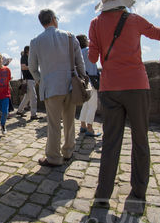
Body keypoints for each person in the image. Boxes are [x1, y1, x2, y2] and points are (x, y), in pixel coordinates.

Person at [88, 0, 160, 207]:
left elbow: (93, 58)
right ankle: (138, 193)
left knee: (111, 142)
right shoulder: (134, 20)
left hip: (109, 88)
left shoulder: (95, 23)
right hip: (136, 86)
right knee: (140, 140)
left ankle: (103, 195)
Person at [29, 9, 86, 168]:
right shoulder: (69, 36)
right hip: (70, 84)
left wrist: (42, 80)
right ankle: (68, 151)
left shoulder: (35, 41)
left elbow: (32, 68)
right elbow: (79, 62)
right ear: (54, 19)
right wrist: (82, 79)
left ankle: (54, 157)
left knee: (54, 124)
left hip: (51, 86)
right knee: (69, 121)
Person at [76, 35, 102, 137]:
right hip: (91, 80)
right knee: (92, 105)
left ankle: (83, 125)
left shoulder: (78, 53)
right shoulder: (87, 50)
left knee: (86, 104)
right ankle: (89, 128)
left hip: (83, 81)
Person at [16, 46, 41, 121]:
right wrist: (32, 67)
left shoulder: (28, 58)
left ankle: (19, 111)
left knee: (27, 97)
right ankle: (33, 114)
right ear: (28, 50)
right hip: (28, 79)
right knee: (34, 97)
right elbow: (23, 67)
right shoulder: (24, 57)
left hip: (30, 79)